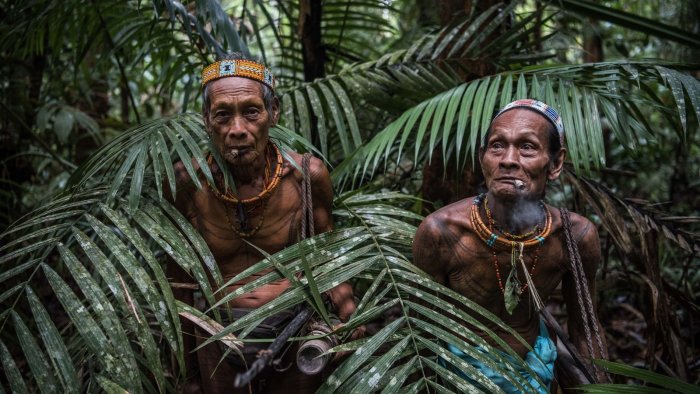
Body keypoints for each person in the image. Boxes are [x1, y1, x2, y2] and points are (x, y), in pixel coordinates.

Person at [168, 53, 356, 393]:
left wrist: (348, 315)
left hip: (295, 331)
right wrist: (185, 368)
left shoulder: (306, 177)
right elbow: (179, 282)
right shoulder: (188, 182)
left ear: (273, 112)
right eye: (223, 114)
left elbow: (326, 258)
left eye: (251, 112)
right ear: (206, 119)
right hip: (216, 338)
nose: (238, 130)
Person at [412, 99, 608, 392]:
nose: (508, 159)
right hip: (457, 379)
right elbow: (421, 334)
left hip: (534, 376)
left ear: (555, 164)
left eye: (527, 146)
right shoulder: (442, 233)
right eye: (497, 146)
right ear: (483, 159)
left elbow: (586, 329)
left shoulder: (574, 237)